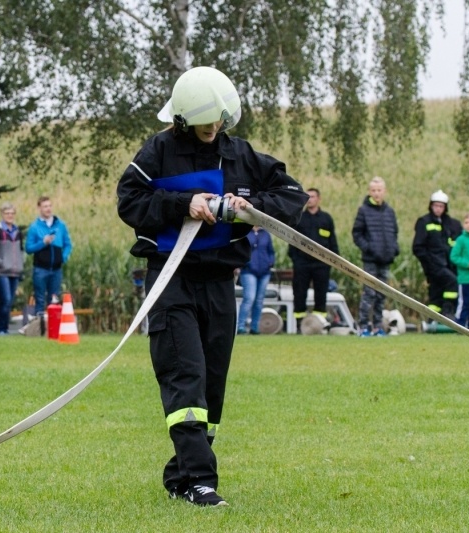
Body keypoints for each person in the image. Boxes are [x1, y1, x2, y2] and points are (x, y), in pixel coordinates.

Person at [116, 66, 308, 507]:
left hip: (221, 283)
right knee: (186, 376)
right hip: (171, 280)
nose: (211, 129)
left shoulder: (240, 155)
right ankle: (202, 482)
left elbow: (292, 195)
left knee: (211, 387)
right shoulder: (157, 152)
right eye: (203, 124)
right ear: (182, 119)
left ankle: (181, 476)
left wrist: (249, 207)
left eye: (217, 121)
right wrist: (185, 203)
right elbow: (130, 201)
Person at [352, 176, 399, 336]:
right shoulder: (363, 211)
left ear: (384, 192)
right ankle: (364, 326)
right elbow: (357, 234)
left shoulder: (389, 211)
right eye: (373, 190)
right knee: (369, 293)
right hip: (371, 259)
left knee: (381, 294)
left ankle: (378, 326)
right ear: (369, 192)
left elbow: (394, 232)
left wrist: (394, 249)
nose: (376, 193)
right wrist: (369, 248)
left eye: (379, 190)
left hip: (386, 259)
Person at [288, 188, 339, 331]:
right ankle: (300, 325)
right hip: (302, 264)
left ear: (319, 199)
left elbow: (332, 241)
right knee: (299, 293)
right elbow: (292, 242)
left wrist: (333, 259)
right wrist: (296, 260)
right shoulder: (299, 218)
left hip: (321, 264)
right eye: (308, 197)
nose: (310, 199)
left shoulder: (326, 219)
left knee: (321, 293)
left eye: (313, 197)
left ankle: (319, 323)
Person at [412, 190, 462, 319]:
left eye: (441, 206)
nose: (438, 209)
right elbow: (418, 247)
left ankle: (433, 319)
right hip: (433, 265)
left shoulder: (451, 223)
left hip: (448, 264)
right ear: (431, 205)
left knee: (436, 293)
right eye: (436, 206)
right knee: (452, 282)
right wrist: (429, 263)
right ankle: (447, 311)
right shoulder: (424, 221)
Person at [25, 196, 73, 316]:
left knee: (54, 299)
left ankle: (54, 328)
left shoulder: (60, 225)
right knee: (40, 299)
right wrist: (43, 242)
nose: (48, 209)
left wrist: (63, 257)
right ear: (39, 208)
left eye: (49, 206)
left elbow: (68, 244)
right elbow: (28, 248)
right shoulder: (35, 227)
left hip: (56, 269)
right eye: (45, 206)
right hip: (40, 269)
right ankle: (39, 327)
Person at [0, 202, 25, 335]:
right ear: (2, 214)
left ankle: (5, 328)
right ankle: (0, 329)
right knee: (6, 299)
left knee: (9, 302)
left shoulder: (17, 231)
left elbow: (21, 250)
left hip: (14, 272)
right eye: (7, 213)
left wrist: (21, 264)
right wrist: (1, 263)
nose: (10, 216)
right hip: (0, 271)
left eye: (12, 213)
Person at [237, 226, 275, 334]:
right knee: (249, 298)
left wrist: (270, 262)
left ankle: (255, 327)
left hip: (264, 272)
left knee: (259, 301)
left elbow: (271, 251)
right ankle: (241, 326)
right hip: (248, 271)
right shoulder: (245, 232)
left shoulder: (266, 234)